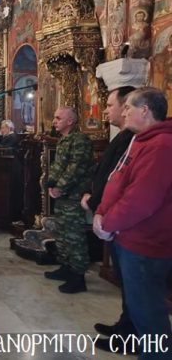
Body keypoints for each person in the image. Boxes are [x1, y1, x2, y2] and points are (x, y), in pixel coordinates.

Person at [94, 88, 172, 359]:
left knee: (149, 316)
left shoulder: (161, 146)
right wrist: (101, 212)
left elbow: (141, 200)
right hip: (127, 237)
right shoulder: (140, 140)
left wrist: (107, 222)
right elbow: (117, 179)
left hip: (145, 243)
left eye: (128, 107)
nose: (123, 112)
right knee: (138, 309)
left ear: (145, 110)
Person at [80, 87, 137, 351]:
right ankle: (125, 326)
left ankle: (131, 335)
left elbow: (120, 180)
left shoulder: (134, 140)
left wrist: (96, 202)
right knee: (127, 283)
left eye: (110, 105)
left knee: (136, 287)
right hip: (112, 215)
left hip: (125, 222)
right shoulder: (125, 137)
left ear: (127, 108)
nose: (106, 110)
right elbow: (106, 173)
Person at [44, 107, 93, 293]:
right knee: (62, 233)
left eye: (58, 118)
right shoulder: (64, 140)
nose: (54, 121)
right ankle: (66, 267)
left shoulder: (80, 140)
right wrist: (51, 183)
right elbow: (58, 166)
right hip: (63, 196)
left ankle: (78, 276)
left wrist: (60, 187)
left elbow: (75, 168)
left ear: (70, 121)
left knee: (74, 236)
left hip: (74, 196)